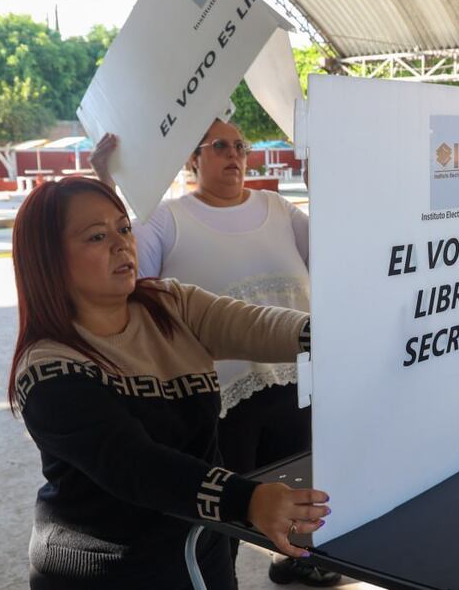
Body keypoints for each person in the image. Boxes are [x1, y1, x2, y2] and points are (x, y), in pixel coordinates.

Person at [8, 176, 330, 589]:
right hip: (107, 572)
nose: (121, 243)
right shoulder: (48, 368)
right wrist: (246, 499)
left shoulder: (168, 304)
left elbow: (252, 324)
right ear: (46, 258)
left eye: (123, 228)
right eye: (96, 236)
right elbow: (136, 466)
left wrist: (329, 337)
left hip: (200, 550)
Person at [91, 118, 340, 587]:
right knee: (225, 508)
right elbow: (120, 272)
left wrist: (323, 185)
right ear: (193, 158)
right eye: (220, 145)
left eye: (241, 146)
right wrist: (106, 183)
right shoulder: (168, 218)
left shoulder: (279, 210)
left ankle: (295, 557)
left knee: (300, 483)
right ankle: (219, 579)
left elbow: (337, 253)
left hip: (297, 380)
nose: (235, 155)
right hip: (220, 398)